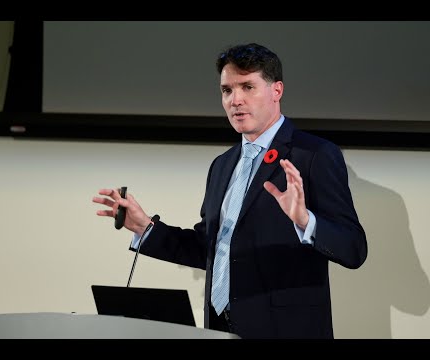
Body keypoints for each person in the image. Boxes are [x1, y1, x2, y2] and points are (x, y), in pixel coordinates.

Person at [92, 43, 367, 339]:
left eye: (248, 87)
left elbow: (354, 249)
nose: (236, 100)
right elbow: (208, 249)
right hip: (220, 329)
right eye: (227, 90)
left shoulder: (314, 155)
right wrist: (146, 228)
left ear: (277, 91)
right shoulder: (222, 165)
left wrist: (305, 221)